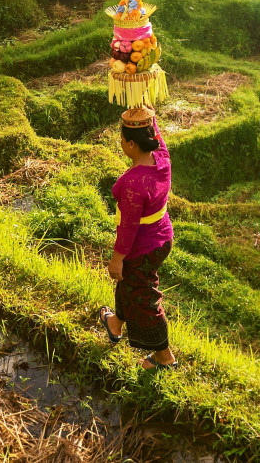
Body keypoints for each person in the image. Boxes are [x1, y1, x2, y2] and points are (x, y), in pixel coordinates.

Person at [99, 105, 177, 369]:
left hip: (142, 246)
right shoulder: (162, 158)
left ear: (131, 144)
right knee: (128, 283)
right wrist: (144, 111)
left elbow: (128, 228)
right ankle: (115, 324)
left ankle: (164, 357)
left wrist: (116, 260)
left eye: (121, 139)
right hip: (162, 237)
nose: (120, 143)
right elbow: (157, 134)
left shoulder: (134, 182)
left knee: (144, 298)